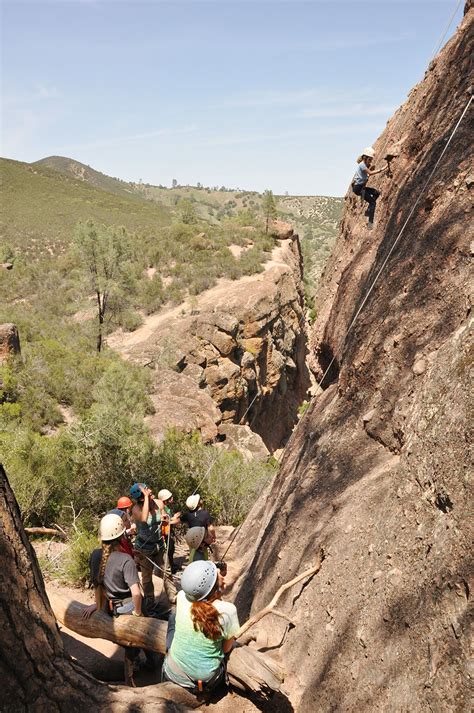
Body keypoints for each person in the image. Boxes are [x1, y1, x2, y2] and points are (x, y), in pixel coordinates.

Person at [83, 512, 146, 685]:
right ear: (121, 534)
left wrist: (97, 605)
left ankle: (136, 665)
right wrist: (138, 613)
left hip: (110, 608)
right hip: (127, 607)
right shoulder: (126, 559)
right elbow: (136, 593)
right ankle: (134, 674)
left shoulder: (96, 555)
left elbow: (98, 585)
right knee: (146, 624)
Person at [162, 560, 239, 694]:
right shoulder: (228, 610)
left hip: (172, 672)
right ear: (215, 585)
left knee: (172, 619)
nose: (220, 573)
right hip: (206, 681)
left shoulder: (181, 596)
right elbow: (226, 649)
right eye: (216, 573)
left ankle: (170, 650)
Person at [130, 482, 177, 610]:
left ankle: (173, 597)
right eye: (147, 491)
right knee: (146, 577)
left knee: (166, 572)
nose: (150, 491)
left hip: (159, 545)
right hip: (144, 548)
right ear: (141, 498)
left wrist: (166, 519)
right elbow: (144, 518)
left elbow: (166, 519)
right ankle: (149, 602)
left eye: (149, 489)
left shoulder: (159, 503)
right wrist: (146, 498)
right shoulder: (136, 509)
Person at [352, 146, 387, 229]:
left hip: (360, 187)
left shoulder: (364, 165)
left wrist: (370, 168)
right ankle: (370, 224)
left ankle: (368, 211)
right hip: (358, 188)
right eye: (370, 159)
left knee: (376, 193)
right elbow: (370, 173)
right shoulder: (362, 165)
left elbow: (366, 174)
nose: (371, 161)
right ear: (365, 158)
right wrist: (382, 169)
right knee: (373, 203)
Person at [158, 488, 181, 573]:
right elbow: (164, 521)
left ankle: (172, 564)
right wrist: (175, 519)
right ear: (165, 500)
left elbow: (168, 518)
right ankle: (167, 568)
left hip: (168, 532)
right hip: (164, 534)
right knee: (167, 550)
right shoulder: (162, 508)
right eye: (170, 497)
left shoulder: (166, 507)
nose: (172, 499)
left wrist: (174, 517)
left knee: (171, 548)